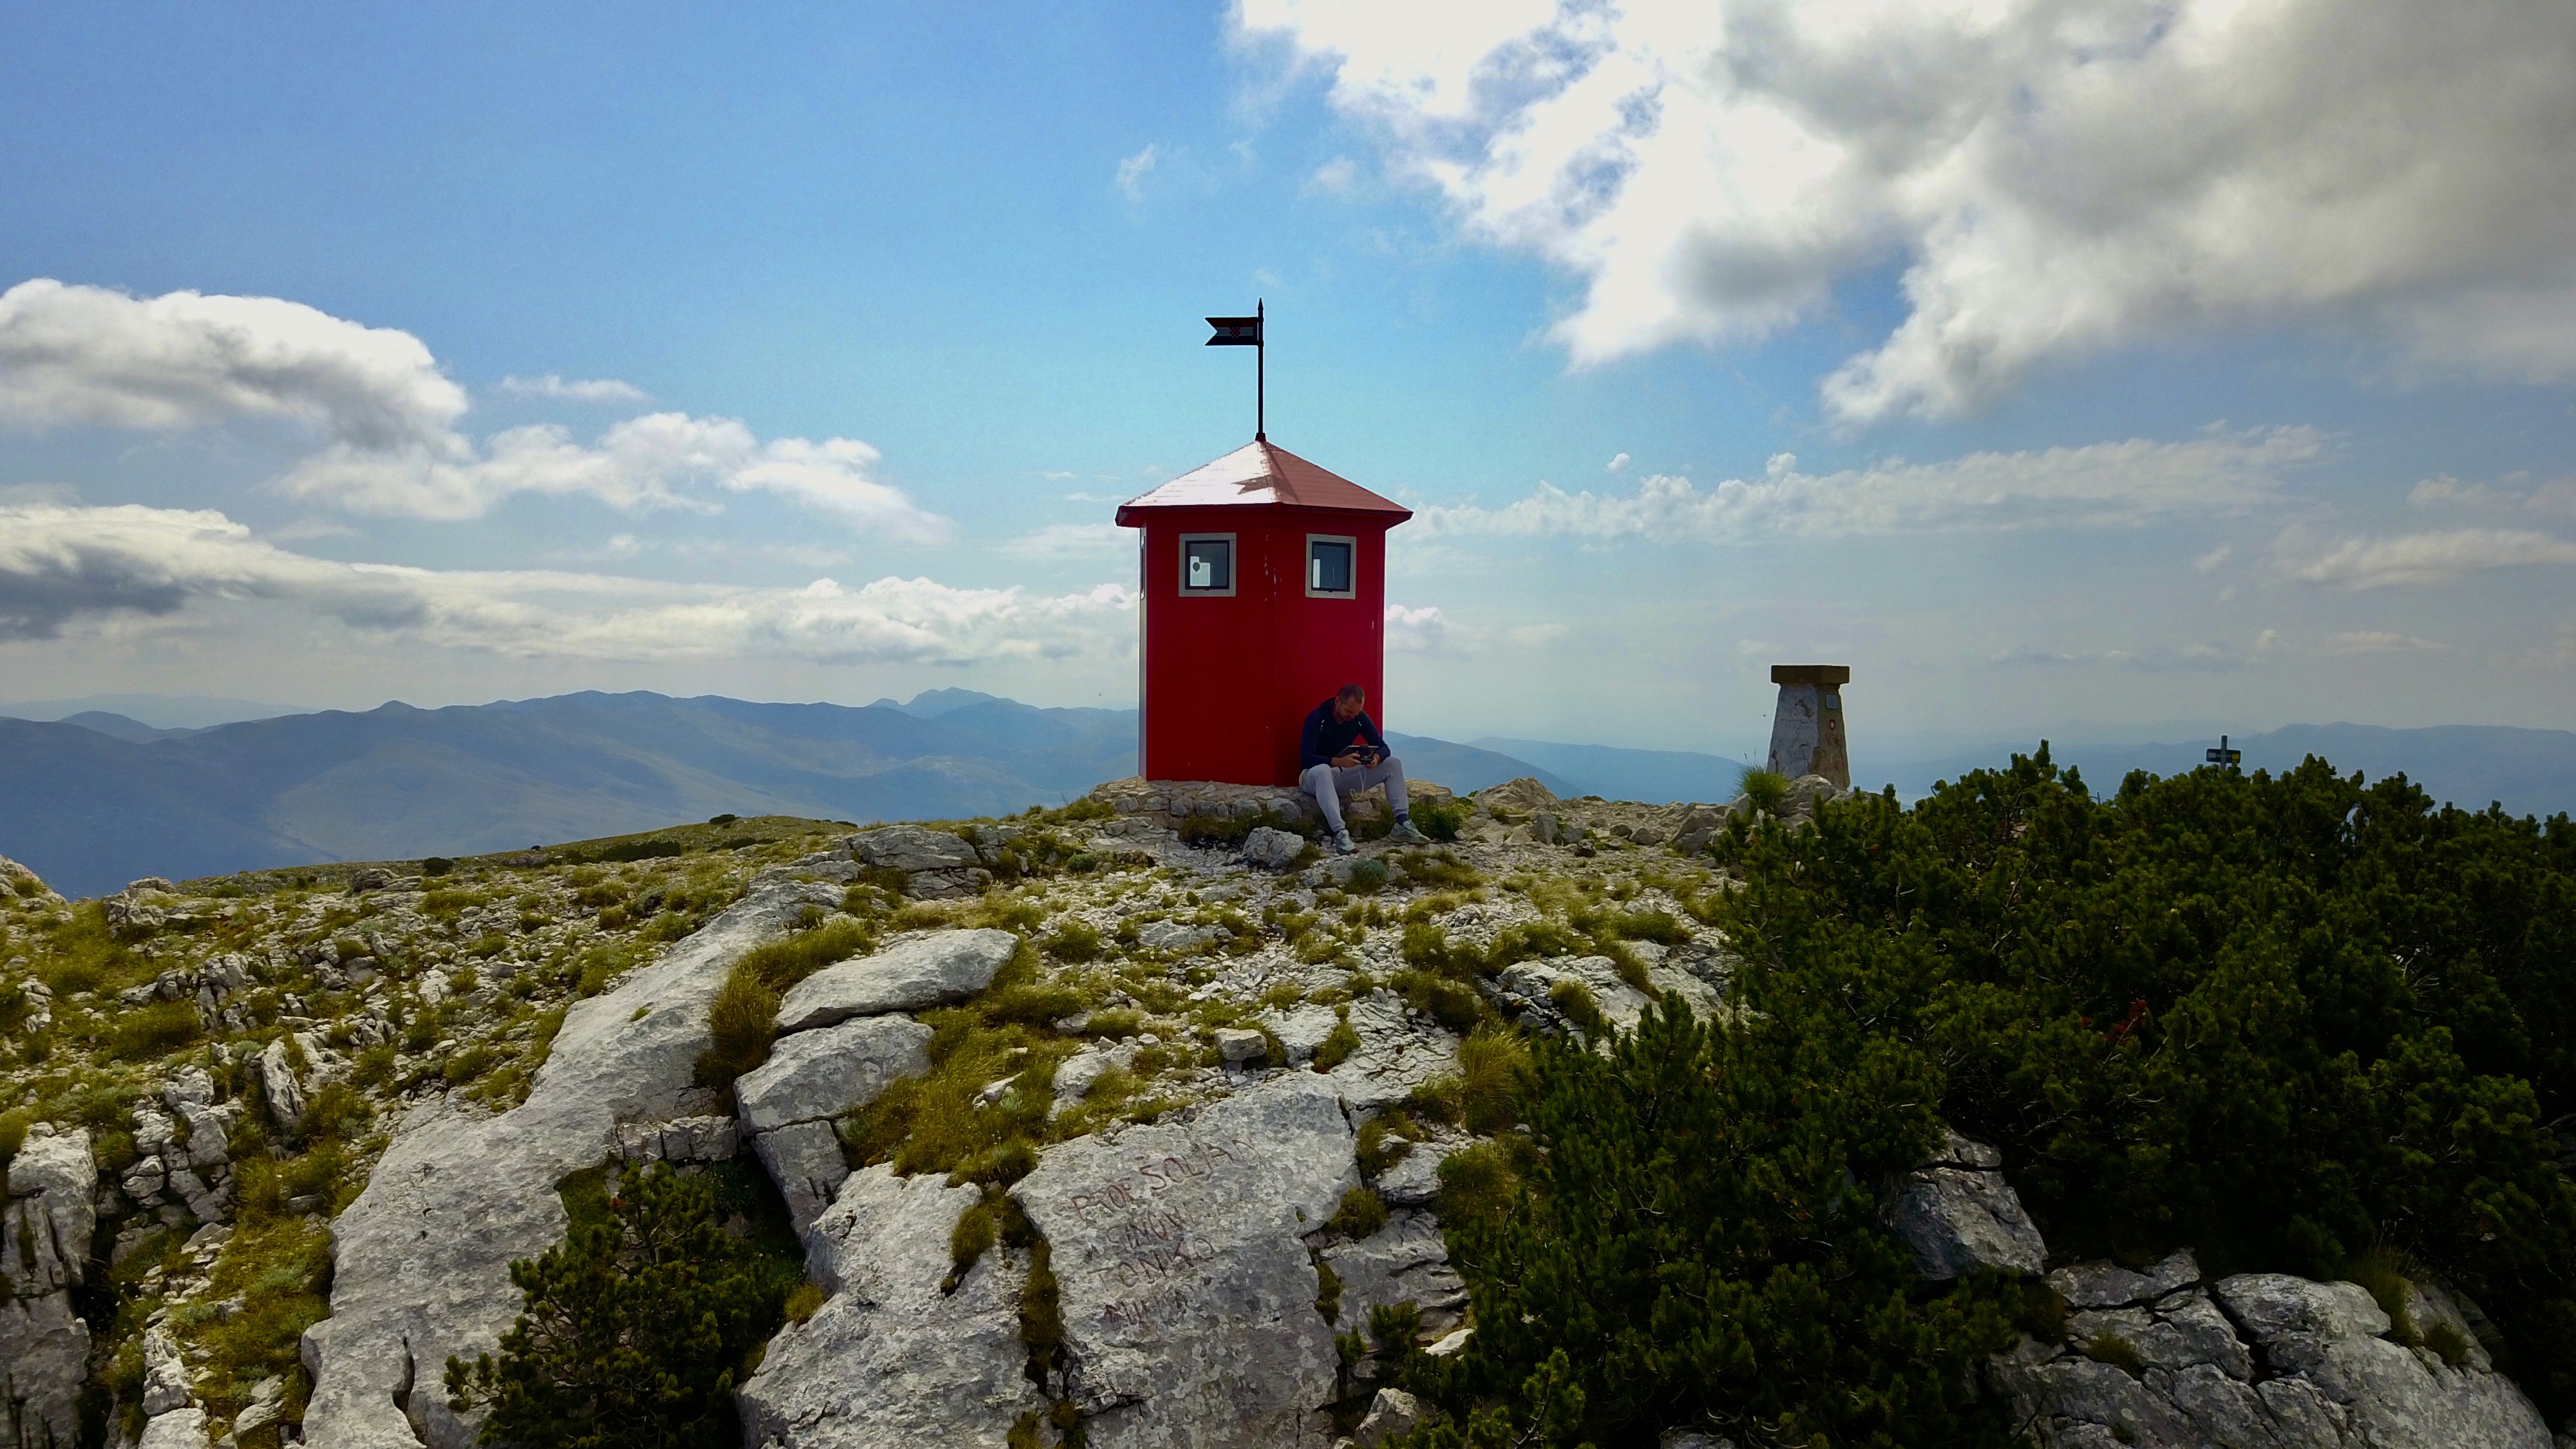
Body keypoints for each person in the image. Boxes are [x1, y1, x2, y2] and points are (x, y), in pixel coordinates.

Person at [1298, 684, 1426, 853]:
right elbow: (1306, 758)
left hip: (1340, 775)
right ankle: (1340, 833)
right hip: (1313, 777)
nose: (1352, 716)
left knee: (1393, 763)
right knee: (1322, 769)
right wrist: (1338, 761)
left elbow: (1384, 747)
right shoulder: (1317, 718)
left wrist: (1376, 758)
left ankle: (1402, 824)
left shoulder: (1359, 718)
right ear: (1338, 701)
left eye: (1356, 713)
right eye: (1349, 712)